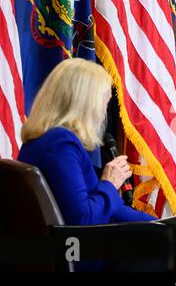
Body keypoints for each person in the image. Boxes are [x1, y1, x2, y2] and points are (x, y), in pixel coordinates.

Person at [18, 58, 157, 226]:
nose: (104, 113)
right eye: (104, 103)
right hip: (75, 250)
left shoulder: (42, 141)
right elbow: (83, 219)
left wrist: (164, 224)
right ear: (86, 103)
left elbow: (112, 210)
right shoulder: (60, 144)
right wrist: (110, 183)